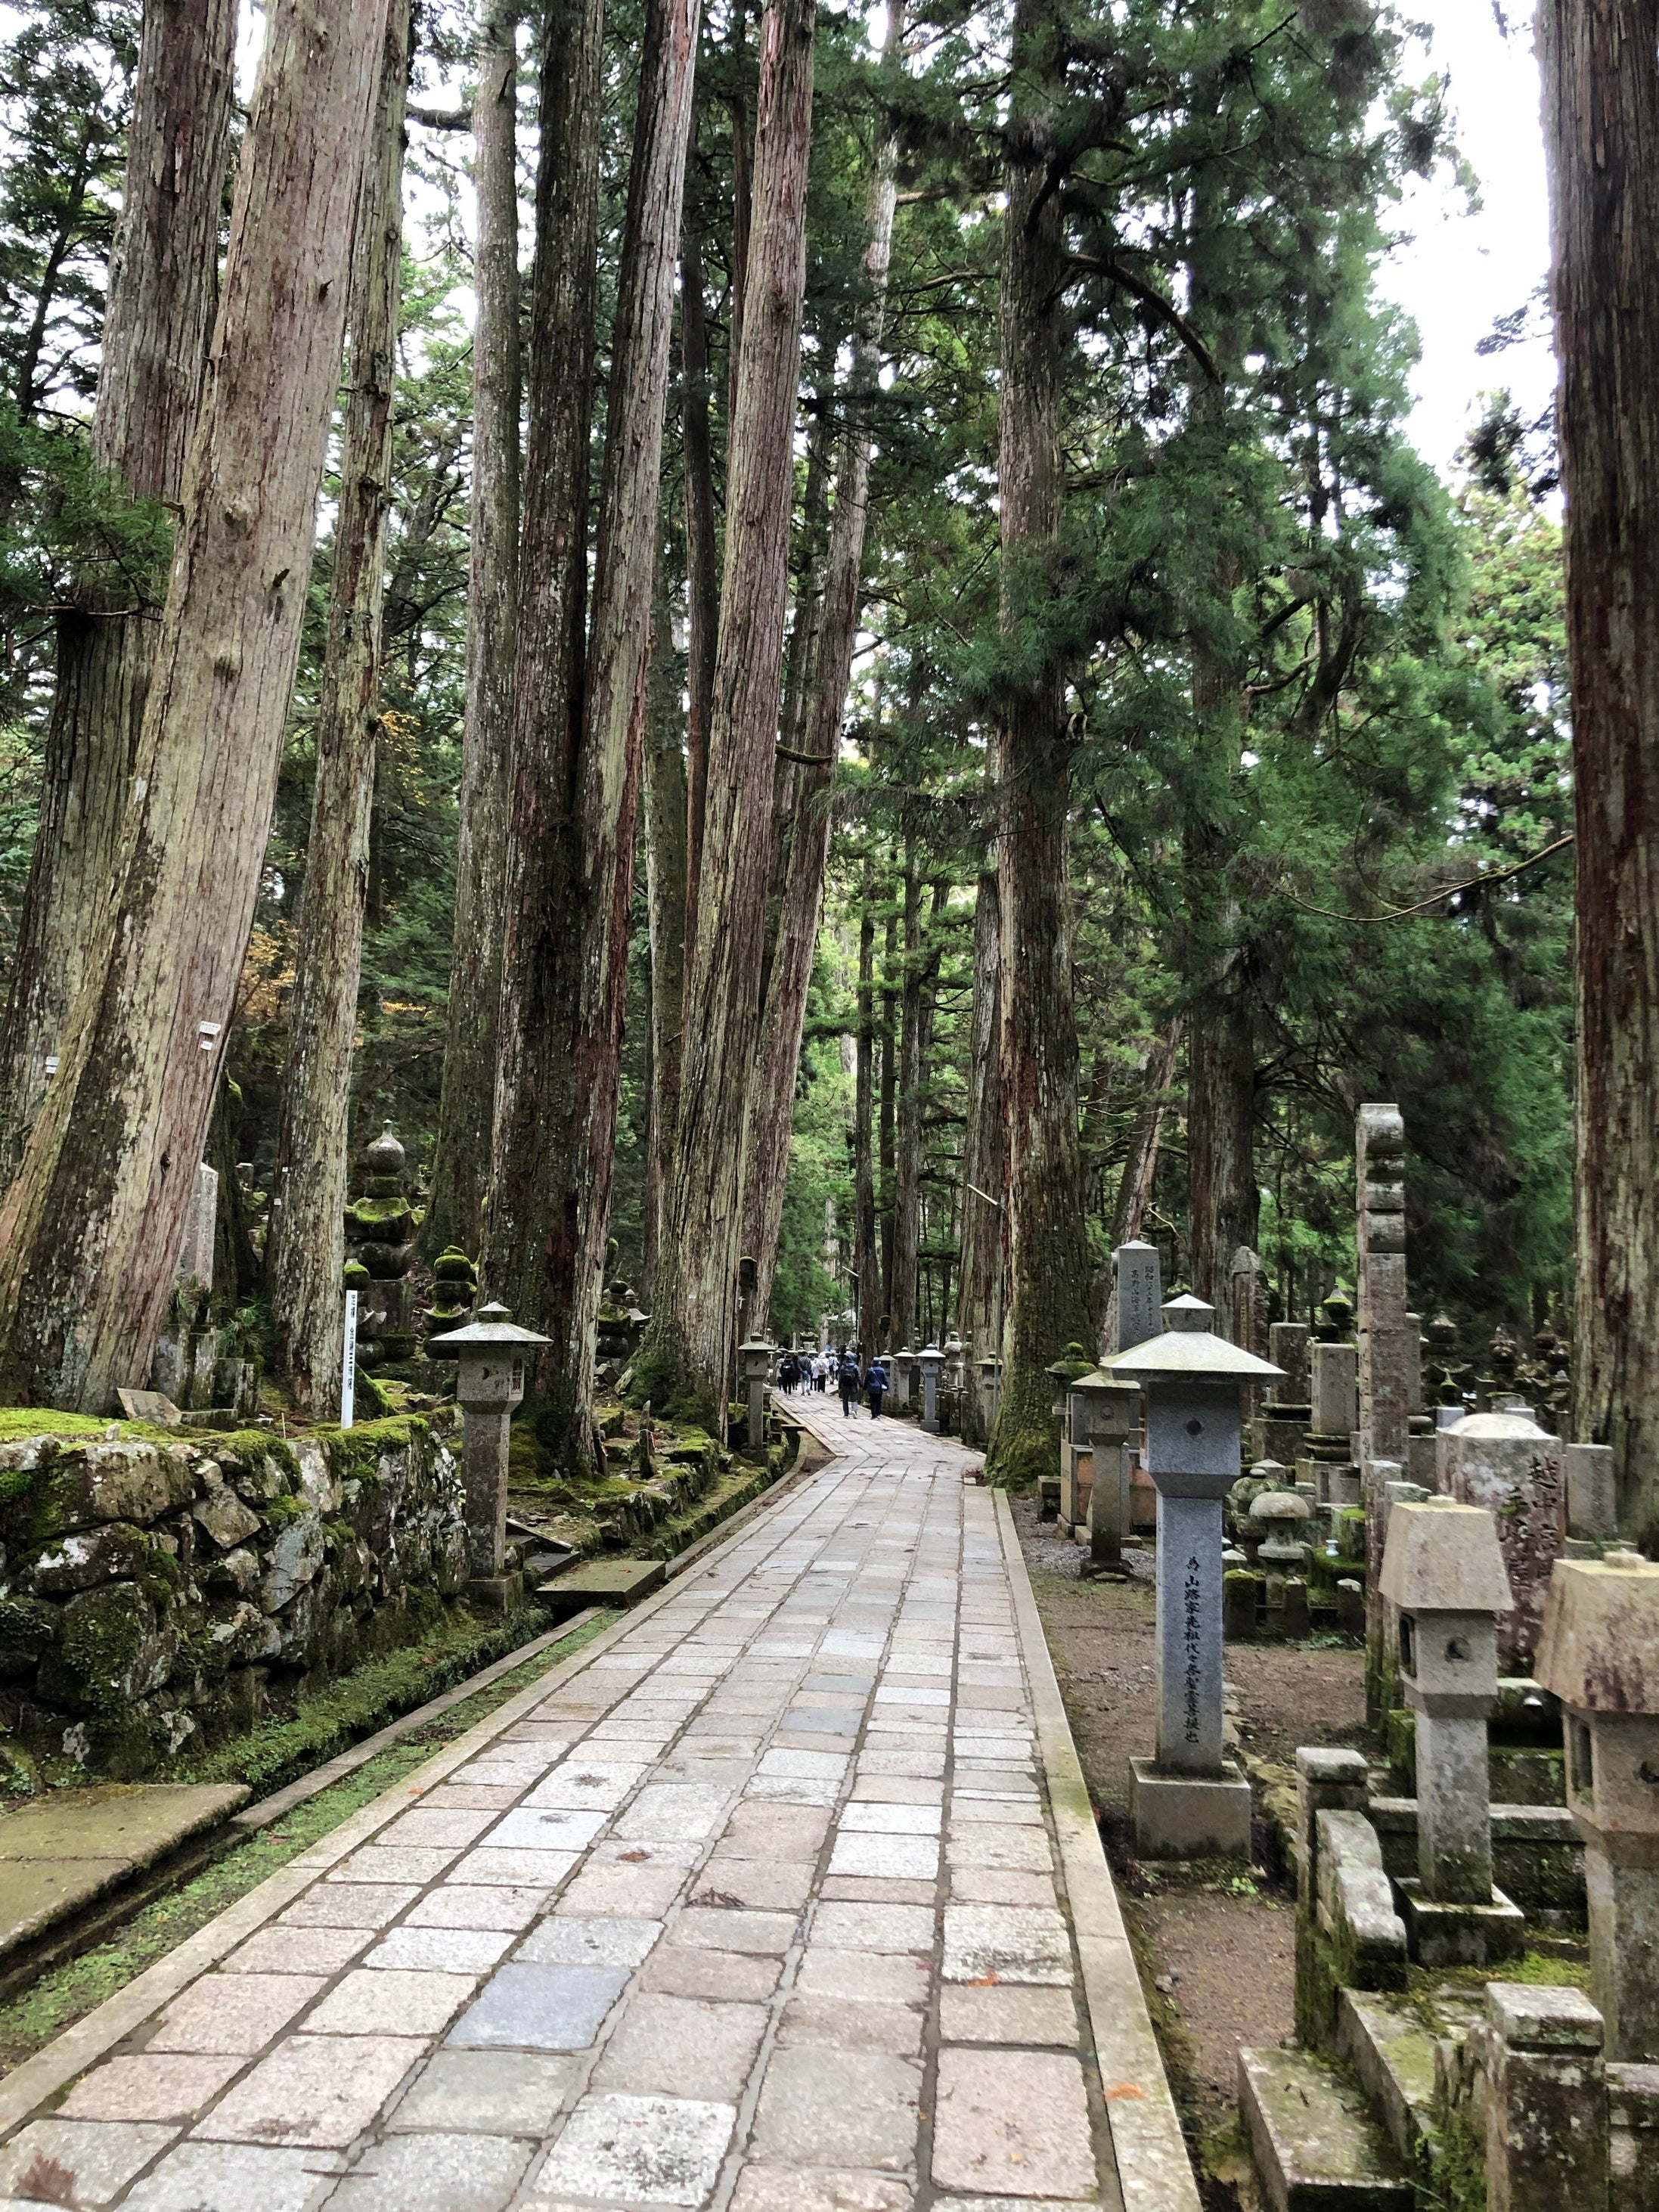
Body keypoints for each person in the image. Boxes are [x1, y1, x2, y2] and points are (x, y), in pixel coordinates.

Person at [838, 1347, 862, 1416]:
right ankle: (854, 1410)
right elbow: (858, 1376)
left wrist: (840, 1386)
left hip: (845, 1385)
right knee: (854, 1399)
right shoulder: (855, 1366)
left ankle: (846, 1414)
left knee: (845, 1399)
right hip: (853, 1385)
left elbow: (841, 1377)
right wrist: (860, 1384)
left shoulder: (843, 1366)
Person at [865, 1354, 888, 1418]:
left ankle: (874, 1415)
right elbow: (885, 1379)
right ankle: (878, 1413)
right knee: (878, 1400)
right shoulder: (882, 1370)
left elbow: (866, 1379)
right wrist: (887, 1386)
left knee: (872, 1401)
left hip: (871, 1388)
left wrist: (865, 1387)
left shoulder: (870, 1370)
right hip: (879, 1388)